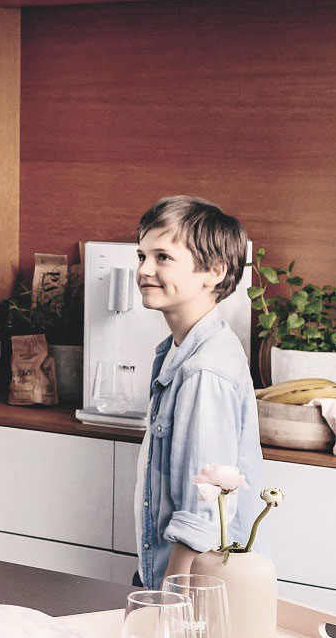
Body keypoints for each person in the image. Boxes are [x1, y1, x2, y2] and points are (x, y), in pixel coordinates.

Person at [133, 196, 267, 588]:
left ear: (214, 270)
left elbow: (202, 508)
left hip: (192, 591)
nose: (144, 269)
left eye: (162, 257)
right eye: (141, 255)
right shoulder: (179, 351)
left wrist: (168, 601)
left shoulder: (202, 371)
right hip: (179, 580)